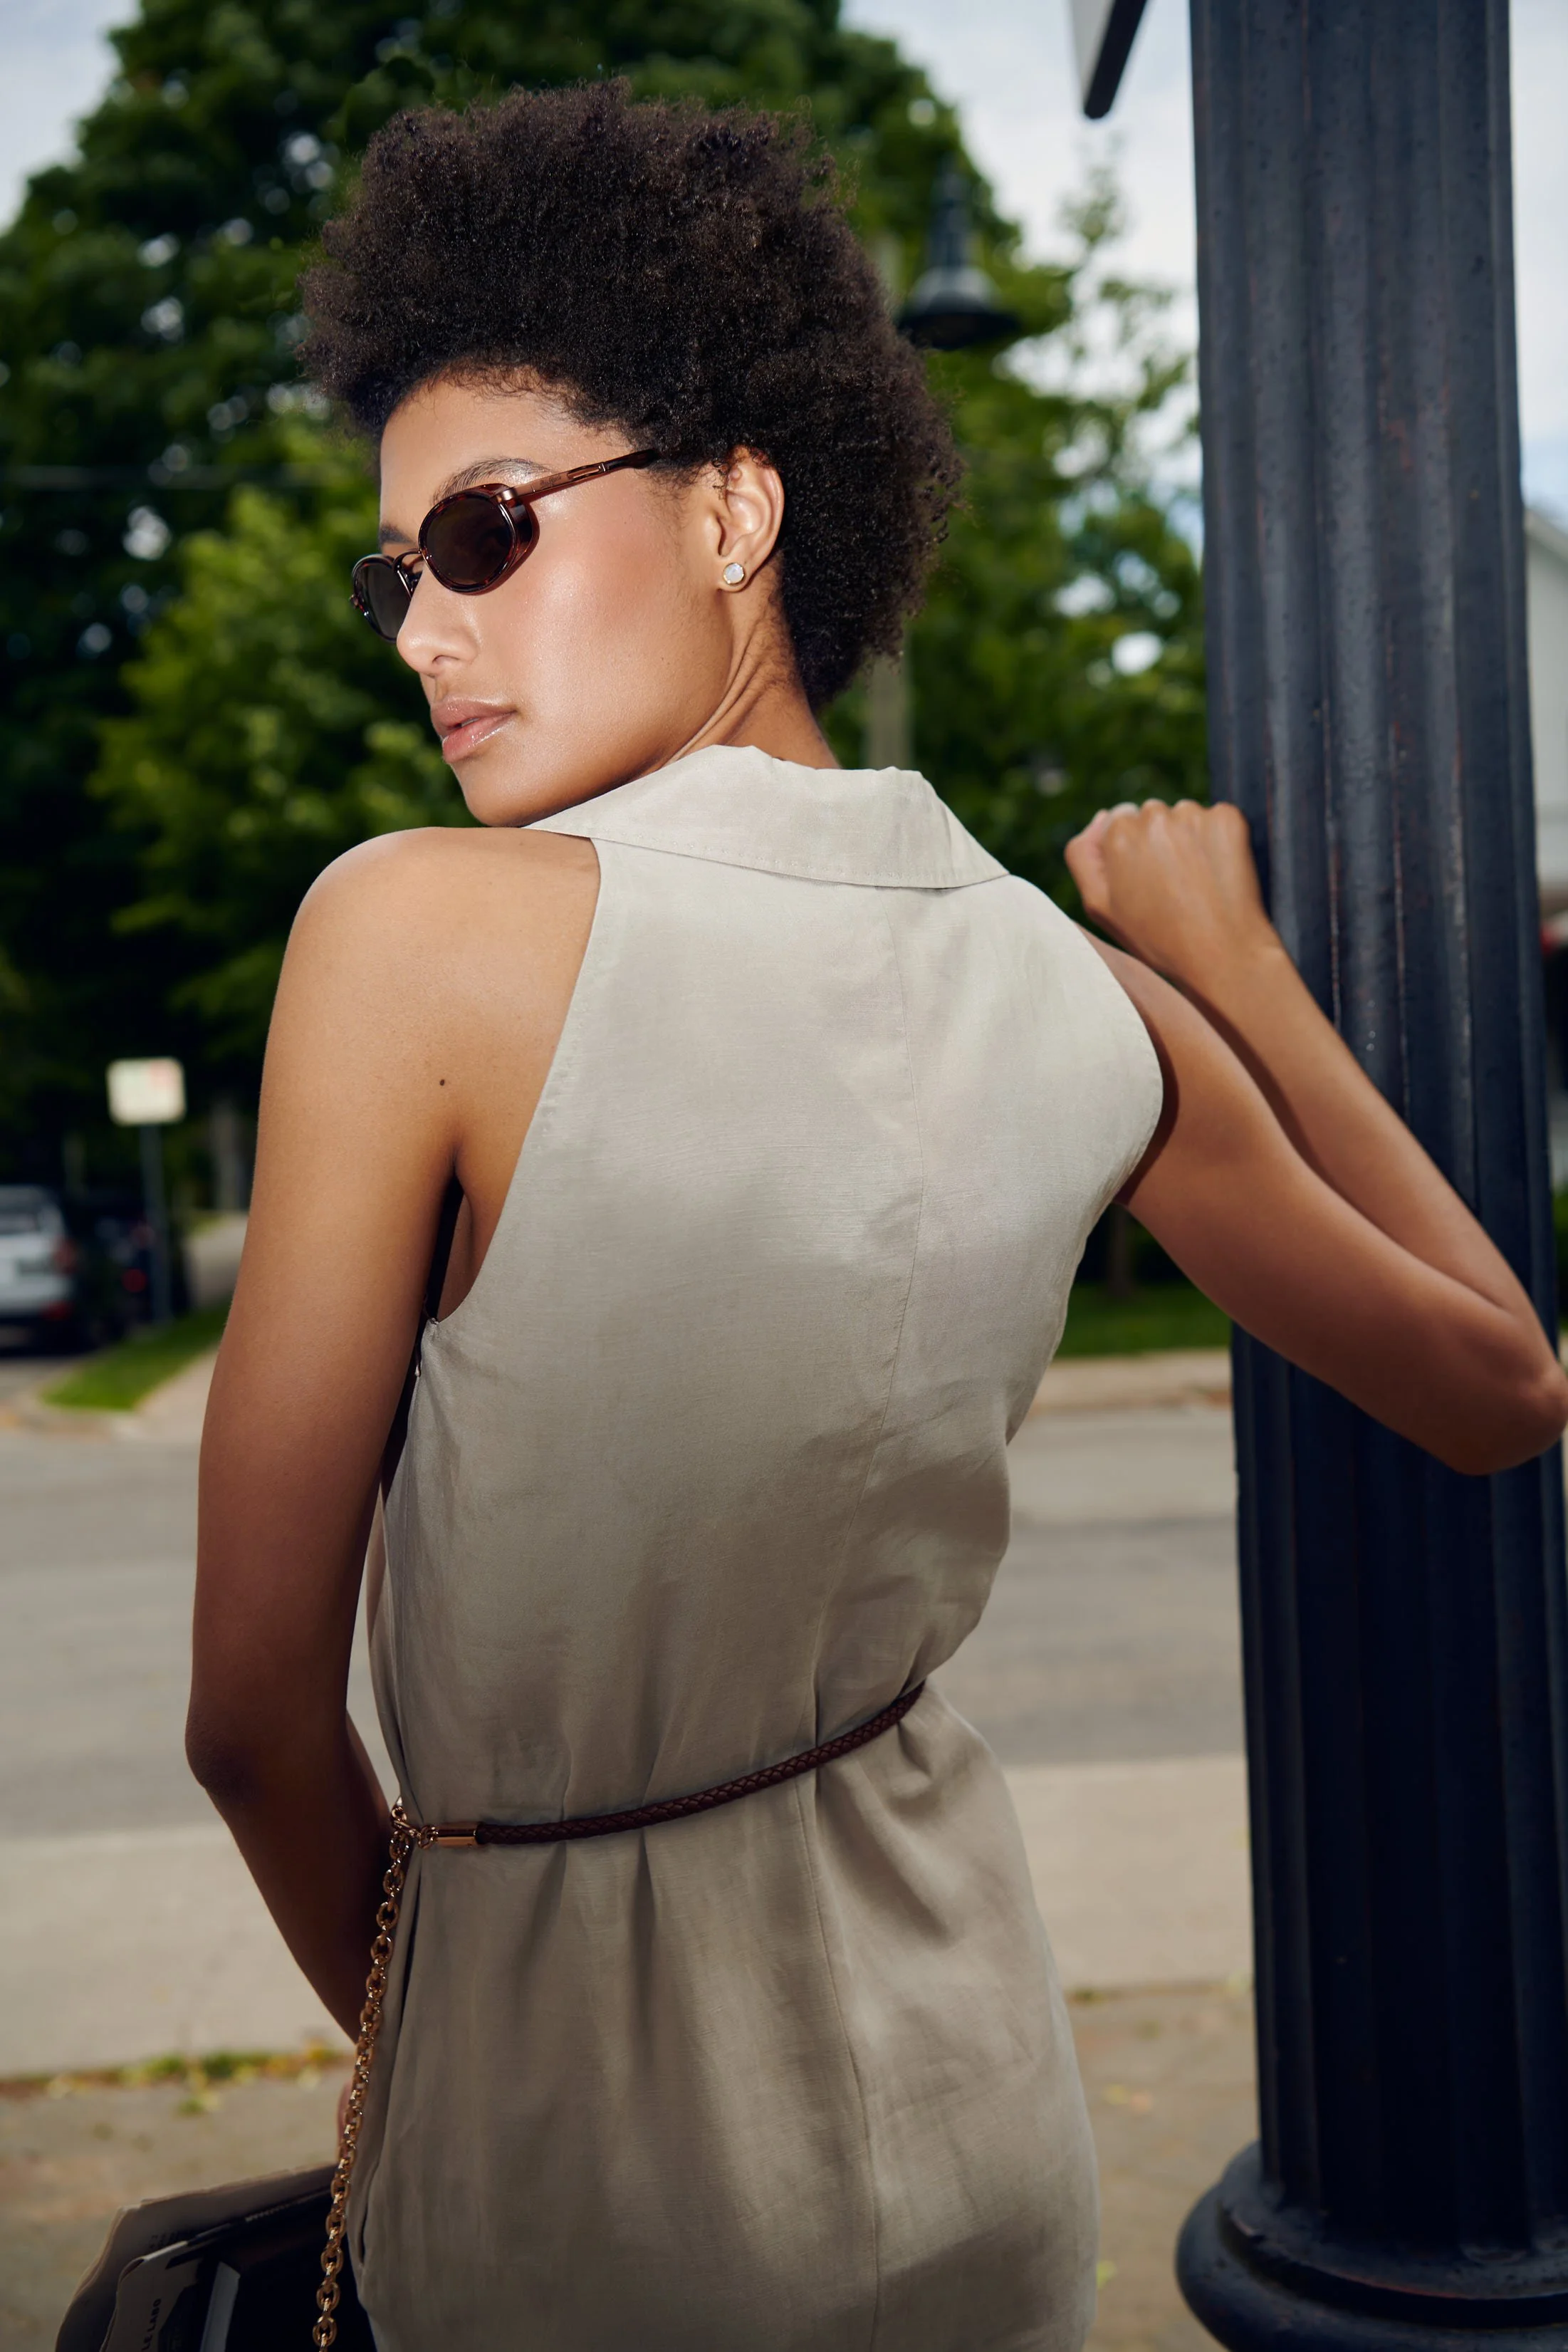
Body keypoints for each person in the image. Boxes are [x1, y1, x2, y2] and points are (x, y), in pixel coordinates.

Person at [186, 82, 1568, 2352]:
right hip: (979, 2111)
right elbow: (1504, 1385)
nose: (422, 631)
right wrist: (1238, 984)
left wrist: (454, 2059)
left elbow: (252, 1718)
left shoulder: (410, 938)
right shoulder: (1081, 993)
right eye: (398, 570)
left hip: (578, 2198)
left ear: (739, 503)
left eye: (489, 532)